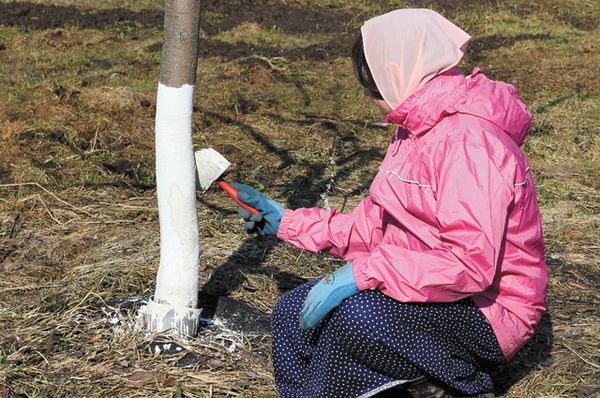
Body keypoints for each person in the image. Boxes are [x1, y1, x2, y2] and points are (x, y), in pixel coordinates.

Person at [231, 8, 548, 398]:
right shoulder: (413, 130)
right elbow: (372, 228)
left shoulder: (468, 143)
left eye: (374, 85)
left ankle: (461, 383)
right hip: (424, 285)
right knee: (291, 315)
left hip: (487, 309)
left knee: (358, 317)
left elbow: (470, 266)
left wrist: (361, 275)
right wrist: (286, 222)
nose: (367, 96)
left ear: (401, 72)